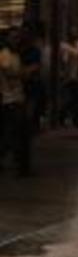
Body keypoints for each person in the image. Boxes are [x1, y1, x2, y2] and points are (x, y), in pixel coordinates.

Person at [0, 33, 31, 176]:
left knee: (16, 133)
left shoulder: (15, 55)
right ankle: (20, 164)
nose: (17, 41)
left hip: (17, 98)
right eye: (14, 38)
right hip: (10, 99)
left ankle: (21, 164)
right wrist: (25, 72)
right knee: (13, 133)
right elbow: (8, 71)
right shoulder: (5, 54)